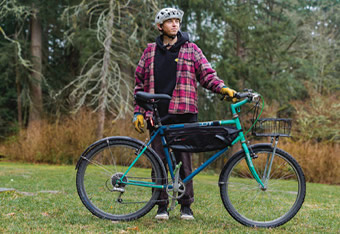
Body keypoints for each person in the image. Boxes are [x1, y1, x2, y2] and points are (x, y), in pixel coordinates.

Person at [132, 7, 237, 220]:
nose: (175, 24)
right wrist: (138, 112)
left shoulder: (191, 49)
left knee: (184, 161)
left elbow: (207, 75)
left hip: (184, 113)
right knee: (158, 160)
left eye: (177, 21)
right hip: (157, 114)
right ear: (160, 26)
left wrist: (222, 88)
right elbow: (139, 85)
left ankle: (185, 206)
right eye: (170, 21)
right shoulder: (149, 51)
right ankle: (161, 206)